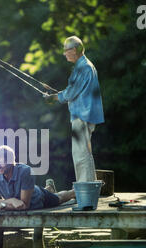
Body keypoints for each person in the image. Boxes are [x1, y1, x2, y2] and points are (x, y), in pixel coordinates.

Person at [44, 36, 104, 182]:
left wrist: (53, 98)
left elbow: (71, 92)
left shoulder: (83, 67)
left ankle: (85, 191)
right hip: (85, 114)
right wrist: (58, 96)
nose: (64, 53)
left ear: (75, 50)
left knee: (80, 154)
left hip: (83, 115)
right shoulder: (84, 66)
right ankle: (89, 189)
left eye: (66, 50)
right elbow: (74, 91)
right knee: (84, 152)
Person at [0, 145, 75, 216]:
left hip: (37, 199)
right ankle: (49, 188)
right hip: (22, 196)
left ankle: (73, 192)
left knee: (59, 198)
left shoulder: (26, 171)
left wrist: (1, 205)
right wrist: (11, 200)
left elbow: (24, 205)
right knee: (49, 192)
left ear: (11, 162)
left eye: (1, 162)